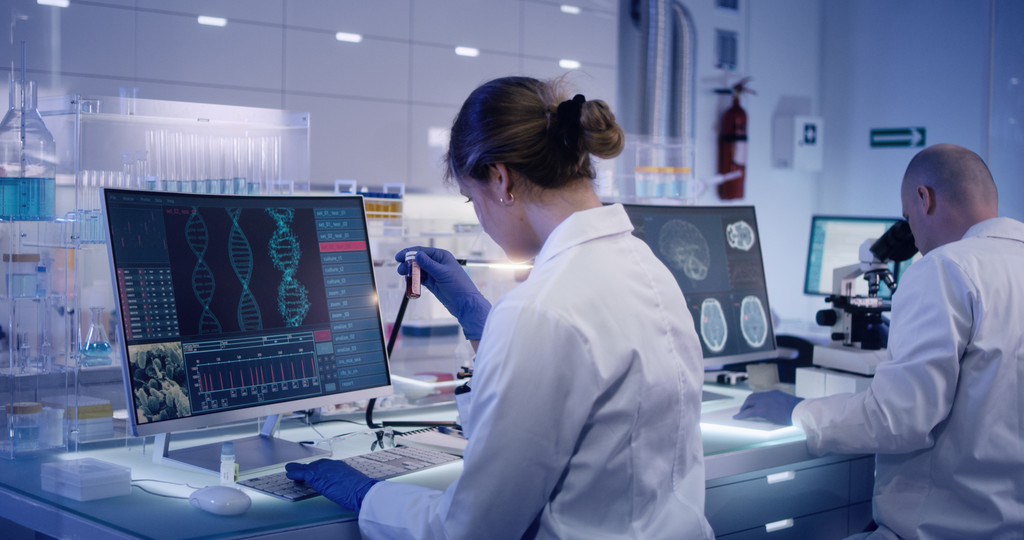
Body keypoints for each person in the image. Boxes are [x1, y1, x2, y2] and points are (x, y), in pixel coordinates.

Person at [286, 76, 714, 539]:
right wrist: (482, 323)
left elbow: (471, 530)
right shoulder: (647, 268)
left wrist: (367, 496)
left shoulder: (541, 308)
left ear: (500, 178)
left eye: (472, 200)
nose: (480, 219)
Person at [735, 143, 1024, 539]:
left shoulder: (944, 268)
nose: (915, 239)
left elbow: (897, 418)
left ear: (925, 198)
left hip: (938, 528)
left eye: (909, 218)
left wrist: (799, 412)